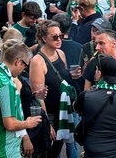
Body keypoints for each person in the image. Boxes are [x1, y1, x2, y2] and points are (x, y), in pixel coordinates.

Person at [0, 39, 42, 158]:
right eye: (25, 65)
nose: (24, 70)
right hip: (3, 149)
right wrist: (27, 123)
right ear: (18, 62)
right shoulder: (6, 84)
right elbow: (10, 124)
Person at [29, 20, 74, 157]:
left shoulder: (61, 54)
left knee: (58, 148)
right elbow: (38, 96)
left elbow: (63, 80)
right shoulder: (38, 61)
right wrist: (47, 123)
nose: (59, 39)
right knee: (48, 151)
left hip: (63, 110)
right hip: (49, 114)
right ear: (44, 38)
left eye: (60, 36)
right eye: (54, 37)